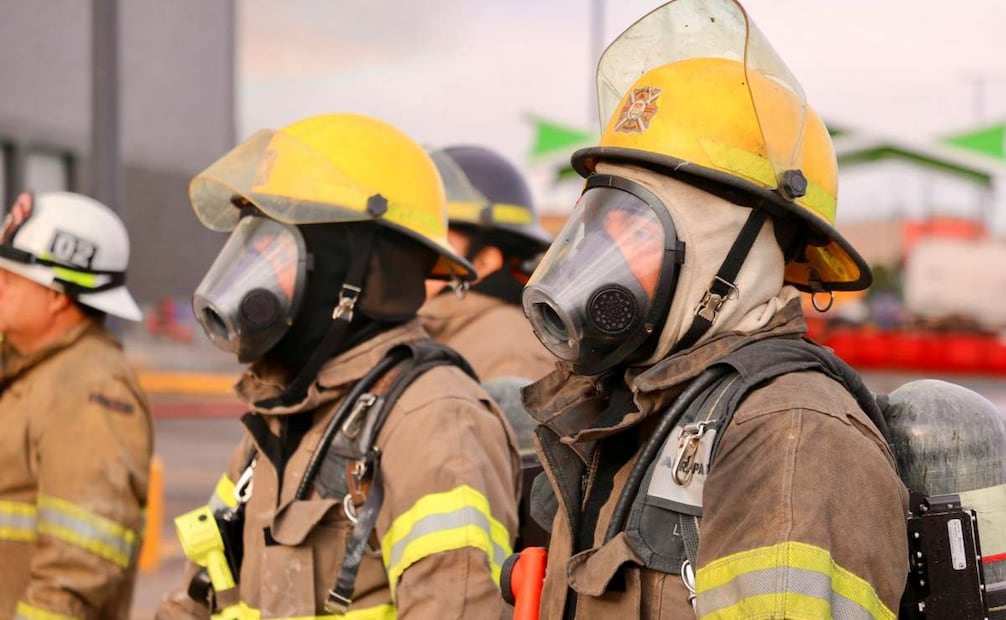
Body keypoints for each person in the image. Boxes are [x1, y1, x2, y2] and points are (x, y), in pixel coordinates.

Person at [519, 1, 908, 618]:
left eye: (636, 231)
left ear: (730, 261)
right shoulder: (630, 407)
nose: (605, 258)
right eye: (601, 227)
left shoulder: (790, 439)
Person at [156, 113, 521, 619]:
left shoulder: (436, 419)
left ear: (355, 273)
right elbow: (201, 595)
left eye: (274, 247)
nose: (252, 275)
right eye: (250, 246)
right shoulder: (281, 409)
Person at [0, 191, 152, 619]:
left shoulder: (93, 387)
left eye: (9, 278)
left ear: (57, 295)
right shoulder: (30, 370)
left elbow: (79, 565)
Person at [420, 145, 555, 383]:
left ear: (483, 263)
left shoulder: (511, 357)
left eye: (435, 241)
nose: (411, 254)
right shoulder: (434, 332)